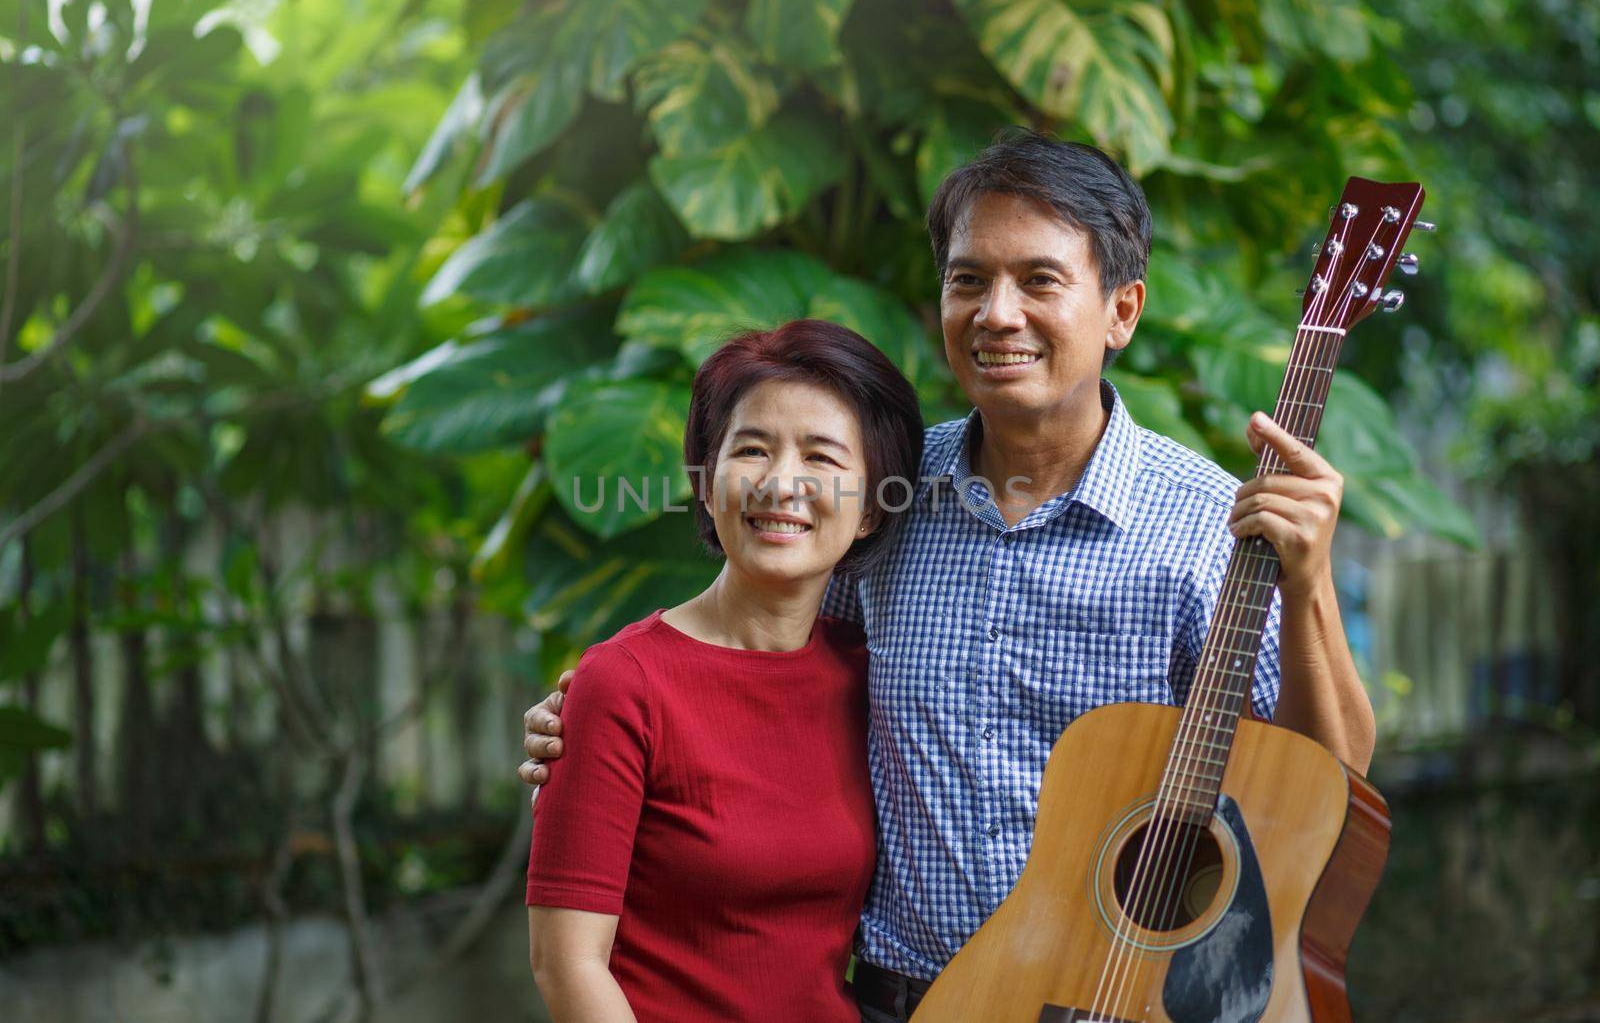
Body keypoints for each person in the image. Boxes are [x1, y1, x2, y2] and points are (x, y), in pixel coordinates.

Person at [521, 131, 1378, 1022]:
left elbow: (1332, 781)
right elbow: (755, 666)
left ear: (1122, 310)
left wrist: (1308, 586)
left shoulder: (1210, 523)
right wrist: (589, 721)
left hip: (1112, 1005)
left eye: (1039, 280)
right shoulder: (876, 505)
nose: (996, 313)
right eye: (968, 279)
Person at [524, 319, 924, 1023]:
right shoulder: (624, 683)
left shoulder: (870, 675)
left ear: (869, 508)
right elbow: (565, 964)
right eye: (752, 449)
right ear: (707, 485)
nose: (780, 483)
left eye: (823, 457)